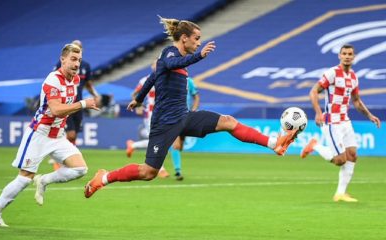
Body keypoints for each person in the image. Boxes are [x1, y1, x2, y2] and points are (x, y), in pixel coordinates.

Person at [84, 16, 297, 198]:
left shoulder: (179, 61)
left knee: (228, 122)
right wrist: (199, 56)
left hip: (183, 117)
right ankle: (103, 177)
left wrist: (138, 98)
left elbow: (152, 77)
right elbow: (167, 66)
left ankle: (274, 143)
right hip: (164, 123)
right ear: (184, 38)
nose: (198, 43)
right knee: (148, 173)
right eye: (196, 39)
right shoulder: (170, 54)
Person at [0, 43, 99, 227]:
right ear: (62, 59)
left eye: (79, 60)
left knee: (80, 169)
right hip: (39, 134)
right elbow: (55, 110)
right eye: (72, 59)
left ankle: (44, 180)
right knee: (24, 178)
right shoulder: (53, 80)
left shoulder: (75, 80)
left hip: (58, 135)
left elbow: (65, 110)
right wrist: (83, 104)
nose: (77, 63)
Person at [300, 44, 381, 202]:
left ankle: (340, 194)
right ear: (339, 56)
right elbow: (313, 92)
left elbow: (356, 101)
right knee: (340, 160)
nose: (347, 56)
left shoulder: (353, 77)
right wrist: (318, 113)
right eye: (344, 53)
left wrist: (370, 115)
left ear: (354, 56)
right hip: (332, 121)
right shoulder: (332, 73)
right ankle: (314, 145)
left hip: (345, 121)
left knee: (352, 155)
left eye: (350, 54)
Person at [50, 40, 99, 170]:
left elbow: (88, 83)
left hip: (80, 104)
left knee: (74, 135)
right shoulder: (62, 64)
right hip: (66, 104)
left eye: (79, 47)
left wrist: (95, 94)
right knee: (70, 134)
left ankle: (69, 160)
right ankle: (59, 160)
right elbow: (55, 80)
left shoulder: (86, 66)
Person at [126, 60, 170, 178]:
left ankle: (133, 145)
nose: (157, 66)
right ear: (151, 66)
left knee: (160, 140)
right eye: (155, 64)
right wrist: (138, 105)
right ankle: (160, 168)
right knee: (157, 140)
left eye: (159, 63)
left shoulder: (167, 78)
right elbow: (134, 94)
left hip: (164, 114)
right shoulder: (145, 79)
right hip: (151, 114)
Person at [170, 76, 200, 180]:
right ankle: (178, 171)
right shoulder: (169, 80)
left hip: (186, 116)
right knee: (176, 144)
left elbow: (196, 97)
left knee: (180, 146)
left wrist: (194, 110)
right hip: (173, 116)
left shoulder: (189, 81)